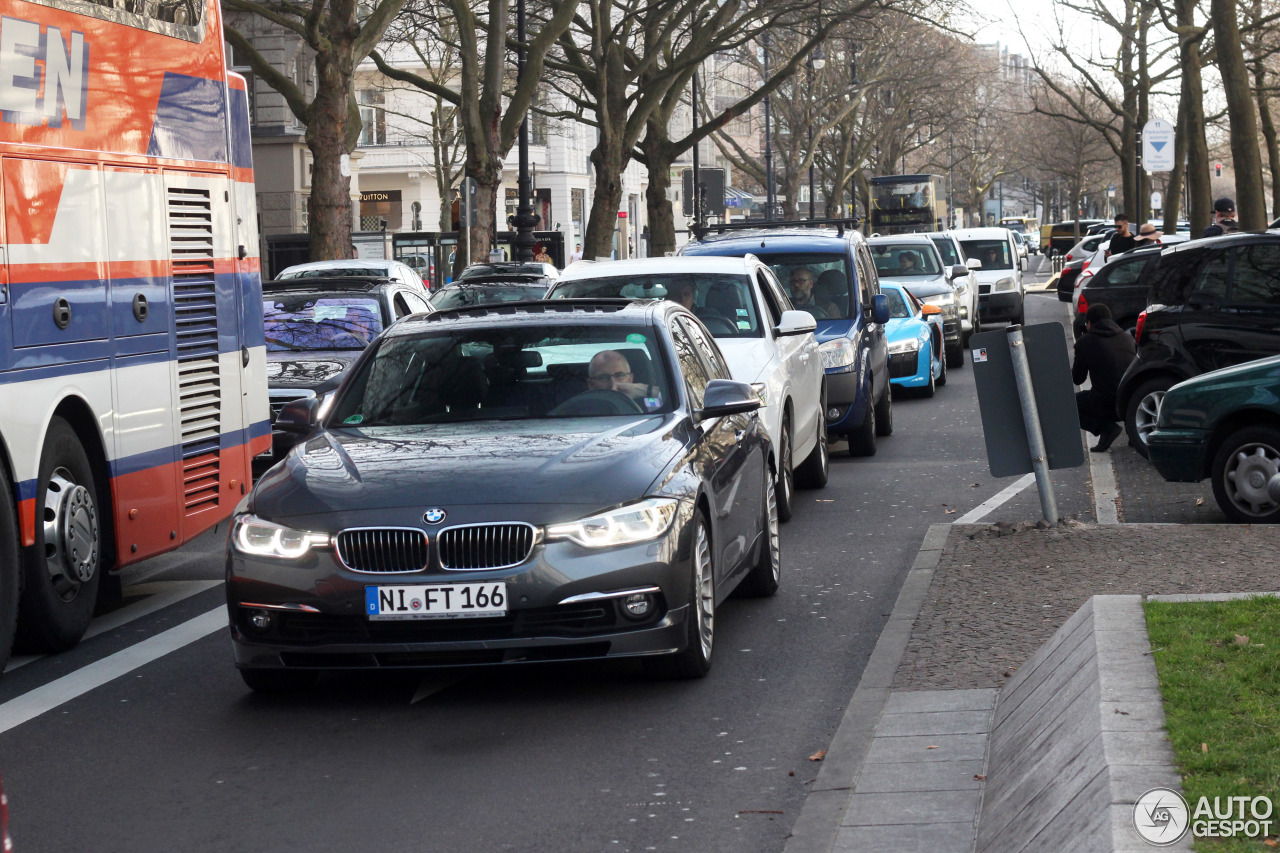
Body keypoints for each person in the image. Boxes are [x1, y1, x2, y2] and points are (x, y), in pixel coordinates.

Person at [1072, 303, 1135, 452]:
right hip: (1130, 403)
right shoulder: (1126, 337)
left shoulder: (1086, 342)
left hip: (1107, 404)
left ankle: (1107, 429)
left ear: (1089, 323)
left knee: (1068, 404)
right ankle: (1133, 433)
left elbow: (1078, 379)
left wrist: (1081, 344)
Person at [585, 350, 655, 402]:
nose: (613, 384)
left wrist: (644, 390)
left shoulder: (649, 403)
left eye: (619, 375)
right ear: (591, 384)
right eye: (603, 377)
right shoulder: (580, 409)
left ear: (630, 379)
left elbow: (665, 397)